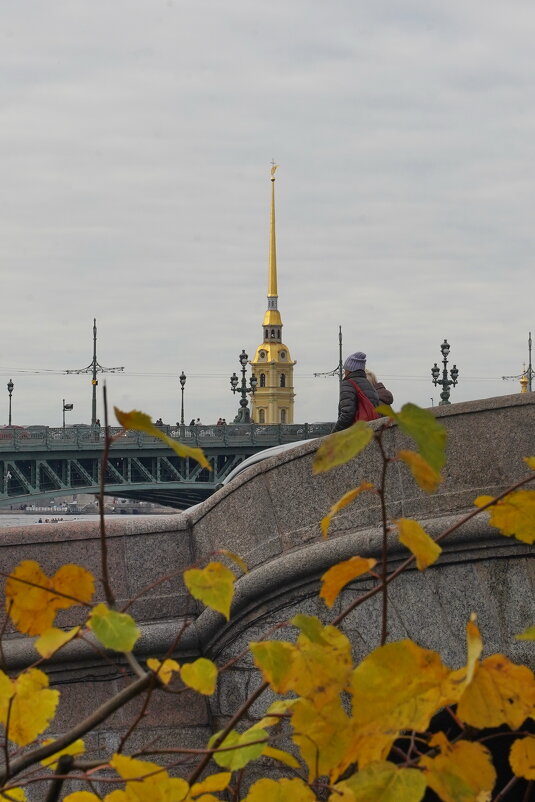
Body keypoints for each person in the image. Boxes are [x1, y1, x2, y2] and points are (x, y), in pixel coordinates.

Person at [333, 351, 380, 432]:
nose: (344, 372)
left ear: (350, 369)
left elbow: (347, 414)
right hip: (370, 431)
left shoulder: (348, 384)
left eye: (345, 369)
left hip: (356, 432)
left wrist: (333, 434)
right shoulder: (369, 384)